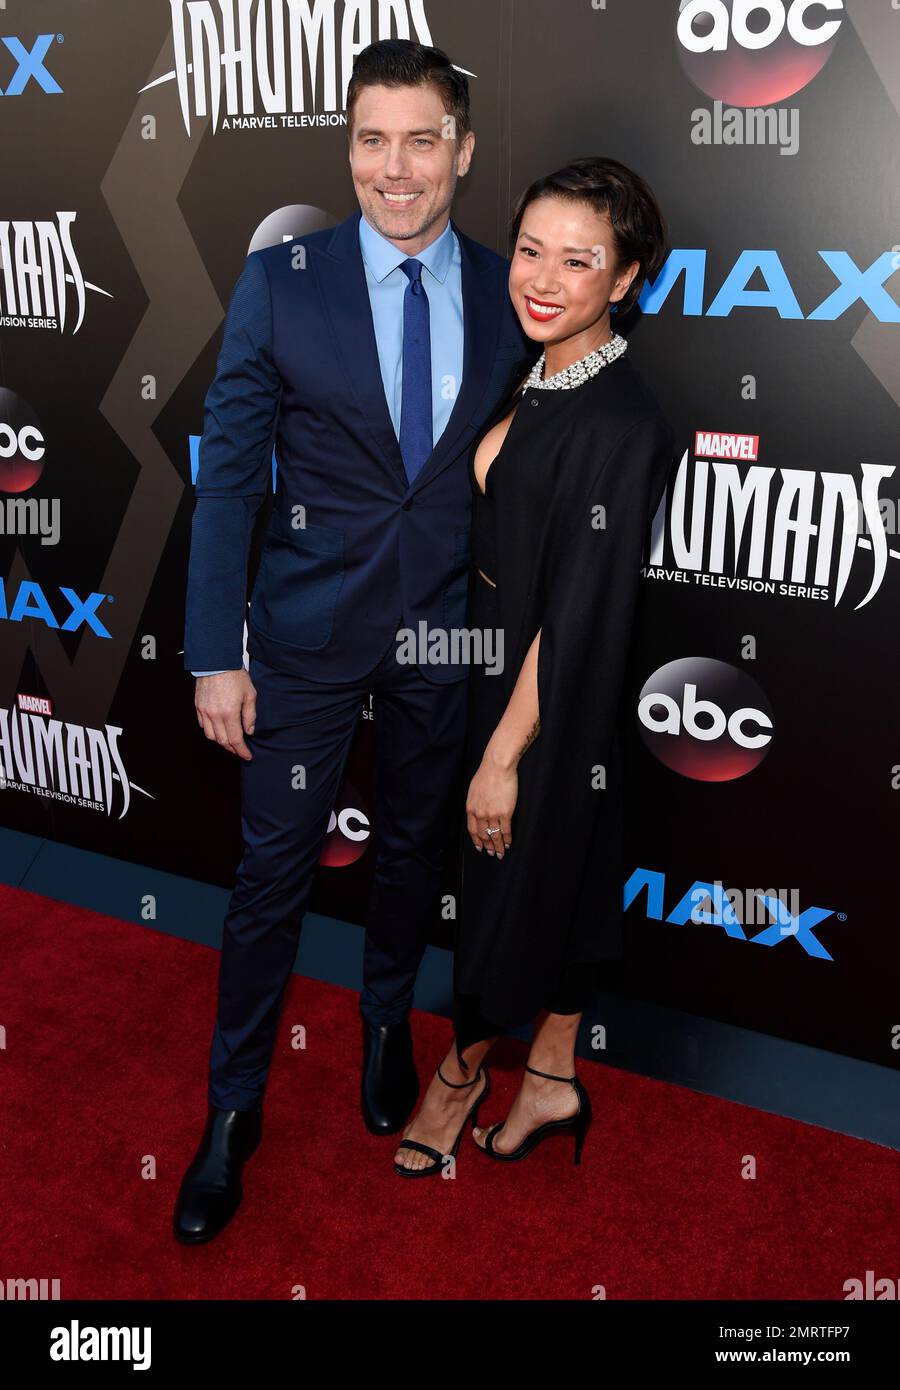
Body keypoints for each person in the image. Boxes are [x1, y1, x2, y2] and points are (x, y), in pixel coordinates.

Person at [174, 39, 532, 1242]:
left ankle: (387, 1020)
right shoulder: (284, 279)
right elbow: (226, 479)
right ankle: (231, 1113)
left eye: (422, 138)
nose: (396, 166)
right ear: (349, 148)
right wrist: (212, 649)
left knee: (415, 851)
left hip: (445, 636)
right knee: (270, 877)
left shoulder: (507, 293)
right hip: (306, 636)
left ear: (462, 151)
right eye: (372, 138)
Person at [393, 157, 674, 1175]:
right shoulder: (540, 369)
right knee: (561, 880)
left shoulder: (624, 424)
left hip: (547, 700)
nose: (543, 277)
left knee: (516, 889)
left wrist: (505, 753)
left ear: (628, 277)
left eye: (579, 259)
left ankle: (460, 1073)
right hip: (485, 668)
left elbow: (579, 611)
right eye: (528, 250)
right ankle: (552, 1076)